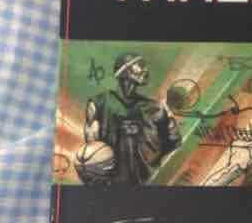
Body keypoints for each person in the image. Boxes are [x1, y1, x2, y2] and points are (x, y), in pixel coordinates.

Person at [75, 52, 181, 185]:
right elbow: (91, 149)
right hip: (113, 187)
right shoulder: (99, 104)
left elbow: (174, 144)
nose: (145, 70)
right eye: (140, 65)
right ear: (124, 71)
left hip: (150, 185)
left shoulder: (155, 109)